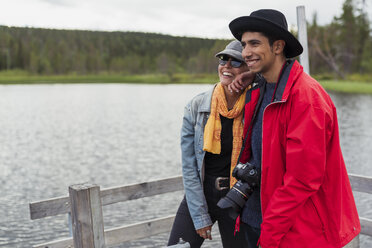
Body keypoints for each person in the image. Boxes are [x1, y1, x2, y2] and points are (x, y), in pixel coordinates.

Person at [225, 9, 361, 248]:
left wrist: (269, 236)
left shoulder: (306, 99)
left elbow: (302, 181)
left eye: (254, 43)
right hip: (254, 221)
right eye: (244, 44)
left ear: (278, 47)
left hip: (292, 234)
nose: (246, 52)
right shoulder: (259, 89)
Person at [167, 40, 254, 248]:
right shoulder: (196, 106)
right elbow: (189, 166)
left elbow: (280, 74)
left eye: (236, 62)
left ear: (247, 69)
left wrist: (254, 76)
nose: (226, 66)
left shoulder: (256, 103)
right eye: (224, 59)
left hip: (239, 196)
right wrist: (199, 216)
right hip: (201, 192)